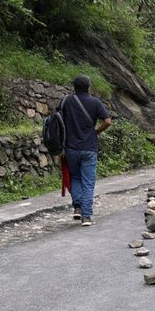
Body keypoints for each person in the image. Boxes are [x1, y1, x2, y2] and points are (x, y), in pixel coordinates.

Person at [62, 75, 112, 226]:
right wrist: (96, 132)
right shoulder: (95, 102)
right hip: (89, 147)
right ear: (88, 87)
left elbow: (57, 119)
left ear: (74, 87)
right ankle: (87, 216)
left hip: (70, 147)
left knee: (76, 177)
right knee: (88, 183)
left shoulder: (67, 101)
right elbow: (108, 121)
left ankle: (77, 208)